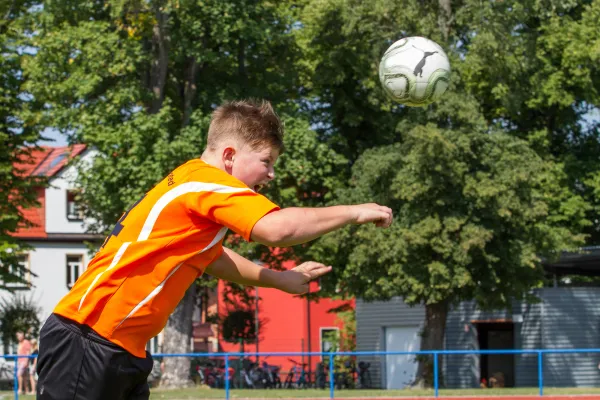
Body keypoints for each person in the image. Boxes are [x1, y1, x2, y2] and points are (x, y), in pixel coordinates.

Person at [36, 99, 393, 400]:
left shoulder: (195, 186)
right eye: (266, 161)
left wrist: (278, 279)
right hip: (88, 339)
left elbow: (212, 257)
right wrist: (353, 211)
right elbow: (277, 229)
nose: (270, 174)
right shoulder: (207, 184)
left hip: (118, 348)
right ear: (229, 155)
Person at [15, 331, 31, 395]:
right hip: (20, 361)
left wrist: (26, 362)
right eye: (17, 336)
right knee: (24, 376)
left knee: (19, 375)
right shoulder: (19, 343)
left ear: (22, 336)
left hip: (24, 361)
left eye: (19, 336)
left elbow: (28, 353)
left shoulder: (26, 342)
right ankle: (26, 391)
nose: (18, 337)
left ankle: (20, 389)